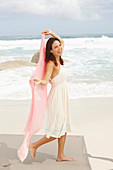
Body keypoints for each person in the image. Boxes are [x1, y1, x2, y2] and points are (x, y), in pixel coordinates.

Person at [30, 29, 75, 162]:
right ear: (50, 50)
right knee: (57, 129)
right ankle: (34, 145)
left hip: (63, 96)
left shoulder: (59, 58)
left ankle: (60, 155)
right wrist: (38, 82)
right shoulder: (51, 63)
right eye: (55, 47)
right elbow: (45, 80)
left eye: (59, 46)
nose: (59, 48)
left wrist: (51, 33)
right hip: (56, 98)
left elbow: (62, 41)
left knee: (64, 127)